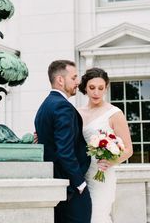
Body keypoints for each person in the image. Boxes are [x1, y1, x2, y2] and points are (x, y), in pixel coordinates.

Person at [34, 60, 92, 223]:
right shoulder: (62, 106)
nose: (77, 82)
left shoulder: (44, 105)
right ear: (60, 80)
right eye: (74, 78)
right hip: (71, 188)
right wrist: (79, 183)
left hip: (56, 185)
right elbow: (65, 151)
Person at [78, 67, 133, 223]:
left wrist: (111, 161)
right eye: (92, 88)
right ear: (85, 88)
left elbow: (129, 149)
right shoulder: (77, 113)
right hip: (80, 175)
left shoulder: (114, 113)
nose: (96, 92)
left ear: (106, 88)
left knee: (97, 217)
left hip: (102, 175)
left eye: (101, 88)